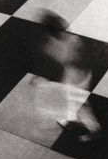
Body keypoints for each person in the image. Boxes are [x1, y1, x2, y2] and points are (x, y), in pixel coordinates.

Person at [38, 10, 101, 142]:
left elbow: (67, 60)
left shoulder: (59, 45)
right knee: (71, 99)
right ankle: (69, 117)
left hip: (77, 80)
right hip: (76, 76)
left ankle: (94, 129)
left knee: (80, 105)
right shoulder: (72, 39)